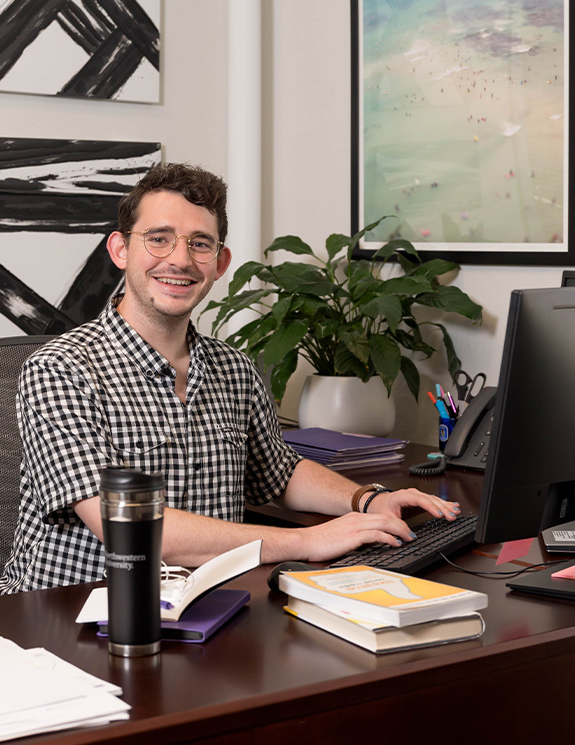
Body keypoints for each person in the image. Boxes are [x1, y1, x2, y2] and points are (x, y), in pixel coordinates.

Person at [0, 163, 460, 594]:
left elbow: (279, 474)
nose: (180, 260)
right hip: (72, 619)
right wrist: (308, 541)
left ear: (220, 263)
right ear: (121, 251)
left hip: (206, 607)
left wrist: (365, 500)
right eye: (159, 238)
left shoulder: (234, 368)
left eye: (200, 244)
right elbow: (128, 527)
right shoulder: (60, 369)